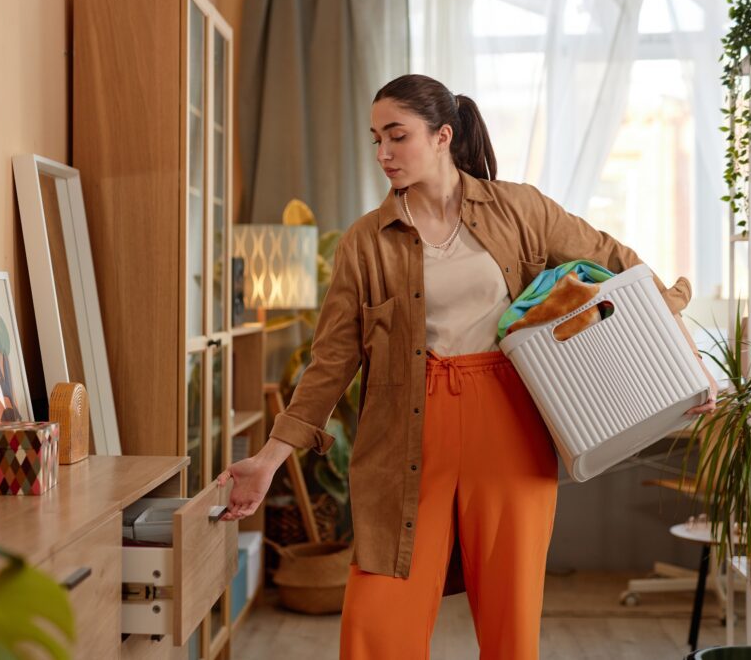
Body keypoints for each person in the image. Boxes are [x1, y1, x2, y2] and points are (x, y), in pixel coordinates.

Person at [216, 73, 718, 659]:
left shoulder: (520, 209)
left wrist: (688, 360)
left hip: (508, 422)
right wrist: (269, 460)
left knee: (510, 618)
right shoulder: (366, 242)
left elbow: (621, 266)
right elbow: (332, 361)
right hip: (403, 432)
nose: (383, 153)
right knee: (378, 620)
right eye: (375, 138)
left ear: (442, 136)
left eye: (396, 136)